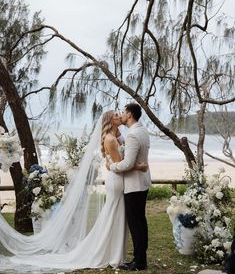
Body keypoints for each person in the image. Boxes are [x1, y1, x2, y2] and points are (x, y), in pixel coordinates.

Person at [0, 110, 146, 272]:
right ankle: (111, 254)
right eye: (117, 116)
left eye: (121, 114)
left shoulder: (114, 136)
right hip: (117, 180)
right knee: (114, 216)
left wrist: (119, 142)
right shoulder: (110, 139)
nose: (120, 117)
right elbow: (121, 165)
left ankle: (115, 254)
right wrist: (138, 166)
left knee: (114, 216)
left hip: (117, 179)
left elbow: (121, 152)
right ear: (110, 121)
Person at [107, 103, 152, 271]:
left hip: (134, 185)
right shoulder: (142, 131)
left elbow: (127, 163)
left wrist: (111, 166)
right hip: (142, 182)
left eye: (124, 113)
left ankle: (139, 261)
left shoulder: (133, 135)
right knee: (140, 221)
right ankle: (141, 259)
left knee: (136, 223)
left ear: (130, 115)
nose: (122, 115)